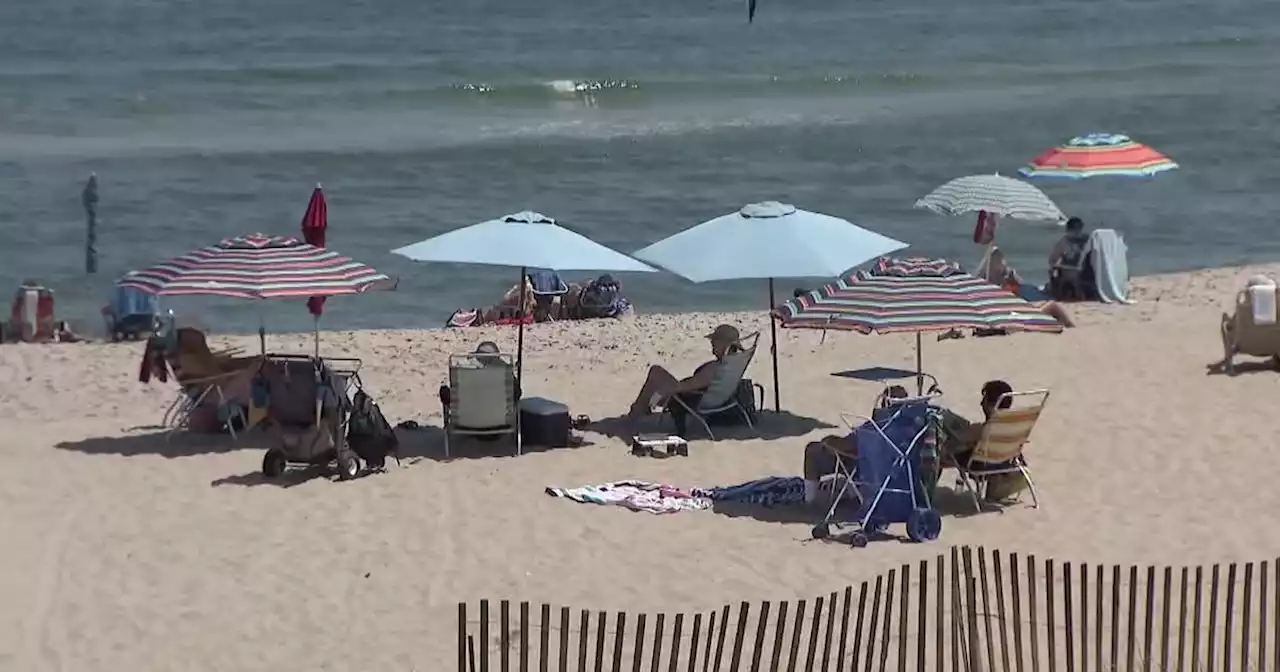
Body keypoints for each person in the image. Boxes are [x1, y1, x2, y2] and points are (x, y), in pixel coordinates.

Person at [801, 379, 1015, 505]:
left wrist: (829, 440)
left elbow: (849, 448)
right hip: (986, 462)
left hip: (871, 468)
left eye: (984, 397)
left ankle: (809, 502)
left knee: (813, 449)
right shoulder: (1009, 428)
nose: (980, 401)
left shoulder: (982, 430)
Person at [626, 324, 742, 421]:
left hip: (688, 401)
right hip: (709, 399)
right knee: (656, 377)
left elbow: (683, 387)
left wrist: (657, 394)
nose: (711, 343)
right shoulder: (733, 363)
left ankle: (635, 413)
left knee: (655, 372)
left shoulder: (715, 369)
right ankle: (640, 408)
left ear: (723, 344)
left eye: (715, 341)